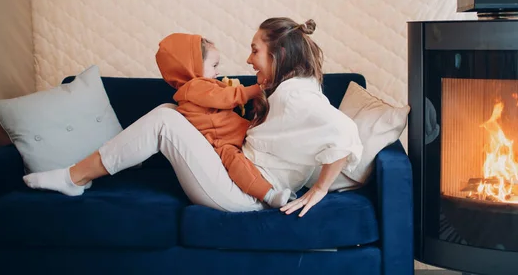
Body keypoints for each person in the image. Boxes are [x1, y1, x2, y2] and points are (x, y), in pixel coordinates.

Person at [23, 17, 362, 217]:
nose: (248, 60)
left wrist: (319, 190)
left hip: (245, 193)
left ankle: (74, 177)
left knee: (165, 120)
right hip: (240, 177)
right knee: (171, 112)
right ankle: (78, 177)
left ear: (280, 54)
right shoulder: (288, 88)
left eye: (255, 50)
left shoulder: (295, 94)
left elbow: (344, 132)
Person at [155, 32, 291, 207]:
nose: (217, 71)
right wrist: (256, 89)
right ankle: (269, 195)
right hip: (219, 142)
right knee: (237, 164)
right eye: (214, 65)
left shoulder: (200, 88)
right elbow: (227, 97)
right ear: (192, 66)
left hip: (230, 134)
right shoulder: (195, 87)